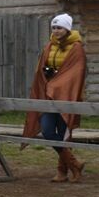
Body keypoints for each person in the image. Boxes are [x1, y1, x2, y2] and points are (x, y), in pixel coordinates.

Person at [22, 13, 87, 183]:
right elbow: (41, 68)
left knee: (63, 132)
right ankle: (75, 164)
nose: (56, 31)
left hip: (66, 95)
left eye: (59, 27)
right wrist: (46, 74)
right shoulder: (49, 46)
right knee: (48, 130)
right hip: (49, 95)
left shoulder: (76, 48)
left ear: (67, 29)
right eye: (54, 27)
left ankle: (62, 172)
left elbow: (76, 72)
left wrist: (57, 81)